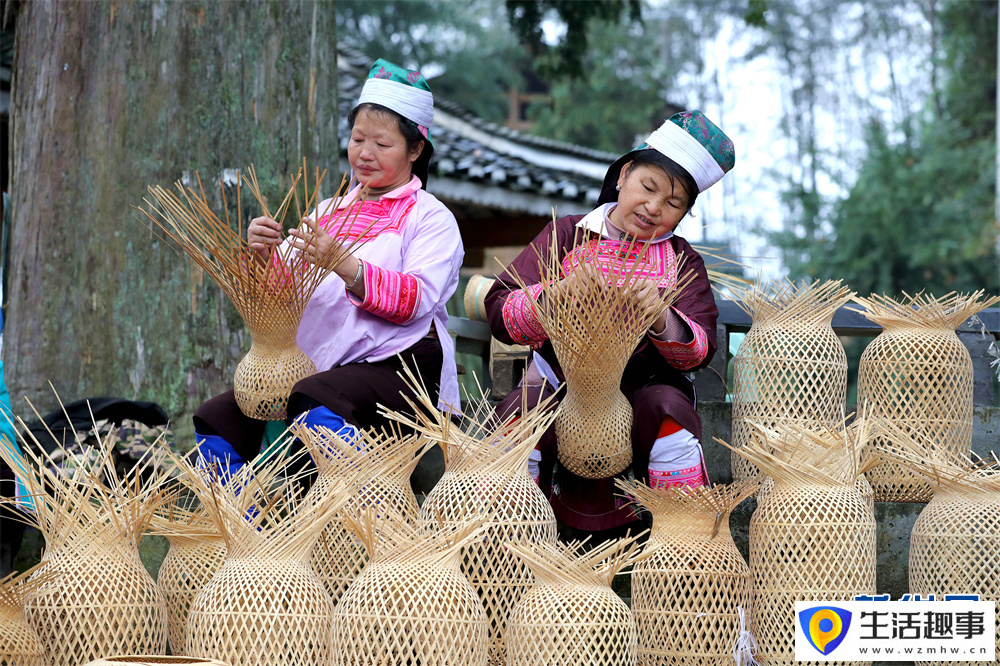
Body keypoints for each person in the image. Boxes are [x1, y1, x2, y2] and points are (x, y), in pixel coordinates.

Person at [193, 59, 464, 474]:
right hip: (321, 366)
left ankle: (355, 509)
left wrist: (342, 263)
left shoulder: (430, 217)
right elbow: (282, 295)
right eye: (357, 140)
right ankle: (251, 530)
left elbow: (415, 300)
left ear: (415, 149)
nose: (365, 154)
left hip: (402, 366)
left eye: (382, 144)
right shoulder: (328, 211)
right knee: (216, 419)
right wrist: (262, 256)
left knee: (314, 398)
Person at [484, 110, 734, 535]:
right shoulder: (567, 235)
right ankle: (514, 545)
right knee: (520, 416)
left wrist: (660, 317)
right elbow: (501, 308)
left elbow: (698, 350)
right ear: (622, 175)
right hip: (559, 383)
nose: (654, 207)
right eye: (648, 187)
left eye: (674, 203)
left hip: (642, 388)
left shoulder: (681, 260)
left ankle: (683, 543)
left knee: (668, 410)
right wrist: (556, 297)